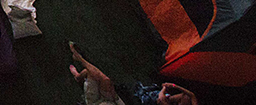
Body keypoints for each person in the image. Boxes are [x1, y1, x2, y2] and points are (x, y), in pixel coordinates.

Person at [68, 43, 199, 105]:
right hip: (111, 99)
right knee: (100, 77)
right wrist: (174, 86)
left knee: (95, 76)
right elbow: (191, 95)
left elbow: (161, 100)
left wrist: (165, 88)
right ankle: (78, 72)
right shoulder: (183, 99)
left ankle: (79, 60)